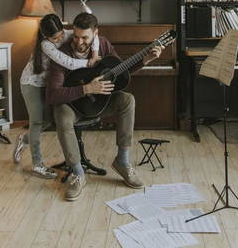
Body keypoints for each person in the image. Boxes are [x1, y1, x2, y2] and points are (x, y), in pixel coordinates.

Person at [46, 13, 163, 200]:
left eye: (85, 37)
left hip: (99, 103)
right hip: (71, 106)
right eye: (76, 36)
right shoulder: (62, 53)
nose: (79, 41)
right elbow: (53, 94)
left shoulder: (104, 45)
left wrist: (145, 60)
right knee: (61, 114)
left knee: (127, 100)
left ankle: (122, 162)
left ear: (95, 34)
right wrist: (86, 88)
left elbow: (119, 72)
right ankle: (78, 173)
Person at [13, 13, 100, 179]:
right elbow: (69, 63)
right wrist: (91, 64)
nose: (59, 39)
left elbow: (95, 36)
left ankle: (24, 140)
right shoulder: (46, 45)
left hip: (48, 83)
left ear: (62, 29)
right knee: (37, 122)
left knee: (49, 120)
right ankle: (37, 164)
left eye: (61, 35)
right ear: (46, 36)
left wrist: (95, 54)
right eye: (55, 38)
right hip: (31, 83)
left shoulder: (67, 33)